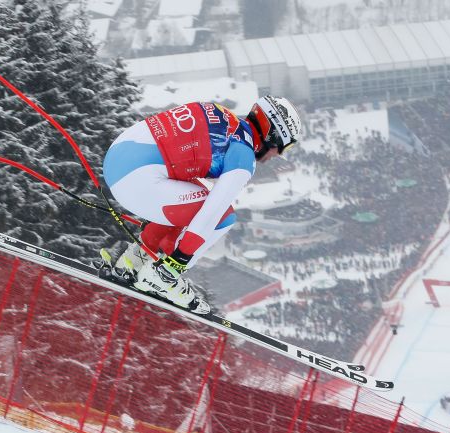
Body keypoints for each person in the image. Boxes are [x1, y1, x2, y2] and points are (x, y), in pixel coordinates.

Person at [102, 96, 302, 312]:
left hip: (117, 158)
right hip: (135, 182)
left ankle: (136, 258)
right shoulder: (243, 155)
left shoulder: (221, 114)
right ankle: (163, 277)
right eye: (284, 147)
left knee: (196, 195)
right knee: (224, 218)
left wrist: (168, 244)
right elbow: (213, 212)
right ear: (273, 136)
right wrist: (179, 260)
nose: (278, 155)